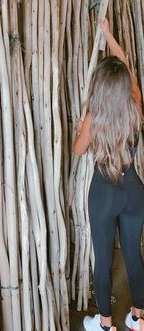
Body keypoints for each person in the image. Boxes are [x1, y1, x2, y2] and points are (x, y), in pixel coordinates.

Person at [73, 18, 144, 331]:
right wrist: (108, 32)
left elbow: (78, 150)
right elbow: (125, 65)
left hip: (104, 191)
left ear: (100, 86)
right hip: (133, 189)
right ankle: (137, 318)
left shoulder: (93, 116)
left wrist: (81, 130)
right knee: (133, 256)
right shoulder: (135, 102)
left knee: (102, 260)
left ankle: (104, 325)